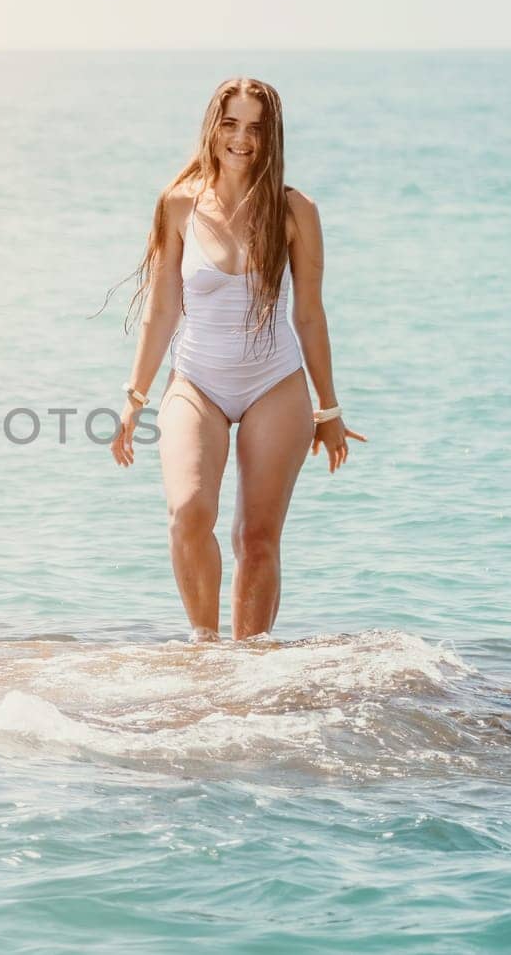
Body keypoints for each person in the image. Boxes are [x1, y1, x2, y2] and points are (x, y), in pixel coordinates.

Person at [107, 77, 366, 641]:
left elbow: (310, 316)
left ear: (270, 137)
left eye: (255, 127)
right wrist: (134, 399)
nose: (242, 139)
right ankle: (206, 653)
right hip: (195, 381)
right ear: (212, 128)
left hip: (275, 384)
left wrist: (329, 409)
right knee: (189, 514)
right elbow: (161, 309)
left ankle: (251, 667)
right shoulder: (179, 204)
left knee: (256, 538)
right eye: (231, 124)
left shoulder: (296, 210)